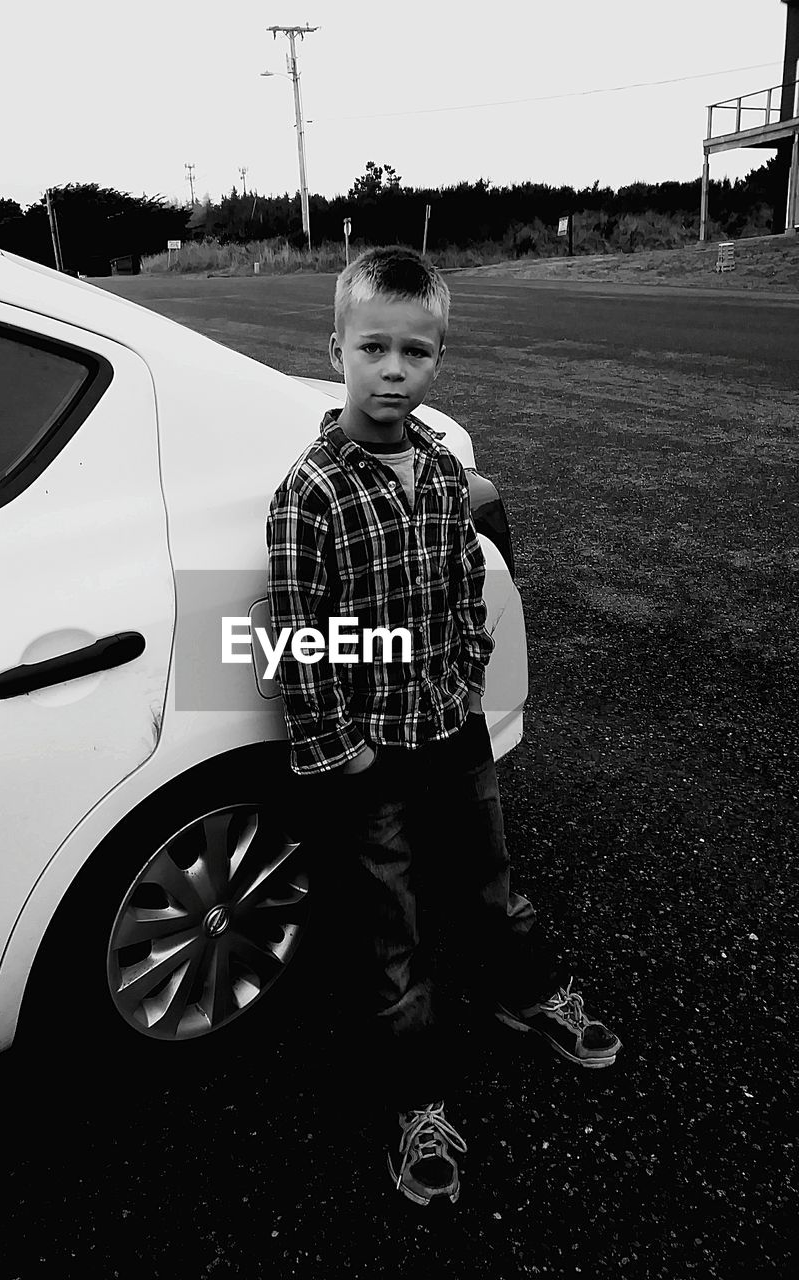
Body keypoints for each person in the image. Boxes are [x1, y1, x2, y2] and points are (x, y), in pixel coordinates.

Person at [265, 246, 620, 1208]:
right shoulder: (312, 493)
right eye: (372, 347)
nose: (392, 370)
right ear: (333, 346)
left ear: (438, 361)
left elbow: (466, 588)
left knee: (490, 881)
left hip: (452, 726)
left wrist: (464, 677)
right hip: (371, 748)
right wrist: (344, 747)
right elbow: (295, 631)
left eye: (415, 353)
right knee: (394, 925)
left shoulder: (436, 464)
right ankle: (414, 1095)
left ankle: (527, 991)